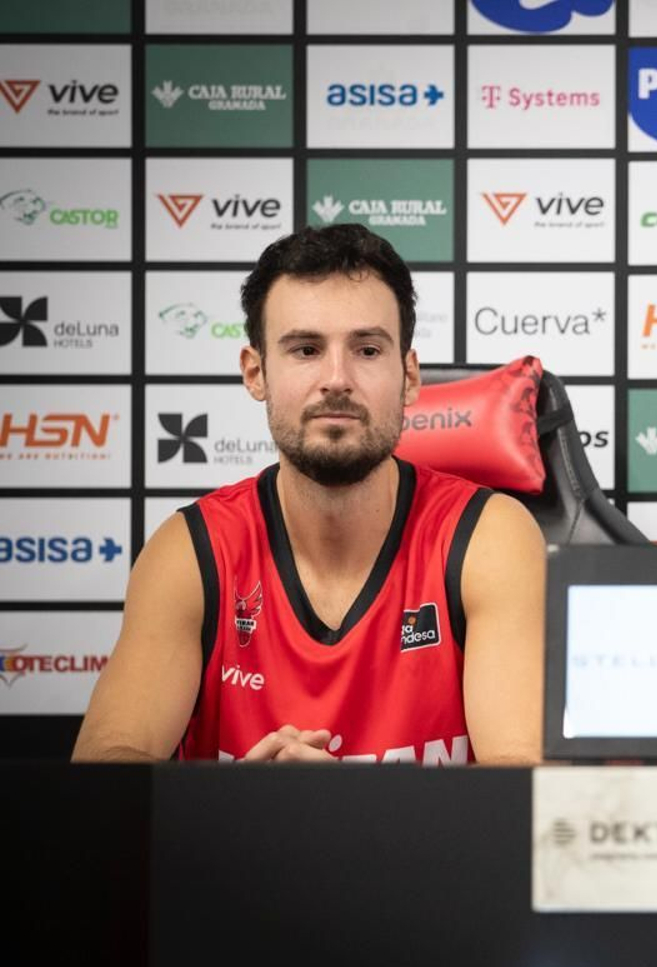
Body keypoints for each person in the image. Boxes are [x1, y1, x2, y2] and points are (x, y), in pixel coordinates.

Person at [74, 225, 546, 764]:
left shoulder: (489, 538)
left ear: (409, 376)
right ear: (256, 373)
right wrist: (233, 812)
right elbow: (104, 773)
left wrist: (343, 811)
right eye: (305, 349)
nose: (337, 379)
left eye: (367, 349)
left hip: (423, 852)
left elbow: (525, 790)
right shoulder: (191, 551)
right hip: (237, 851)